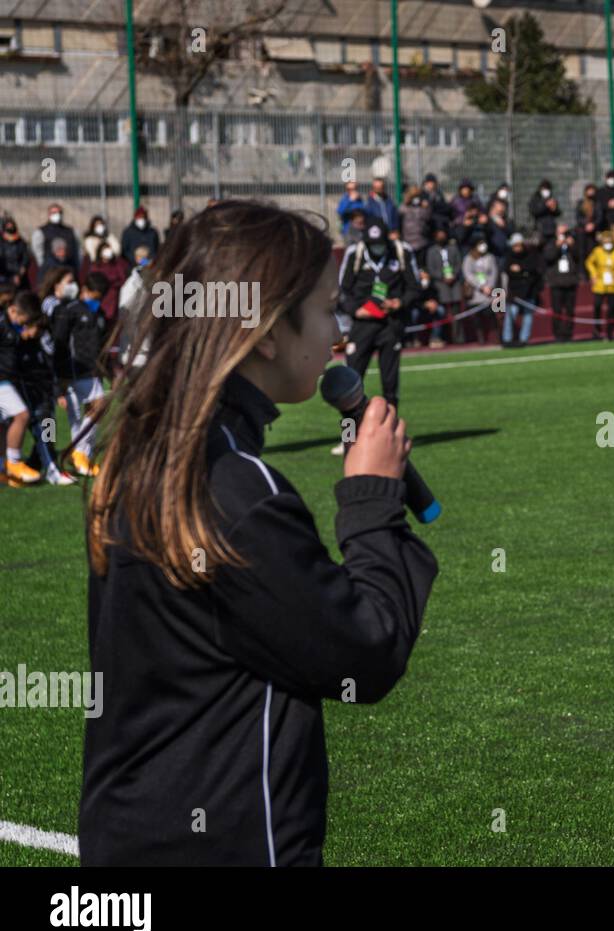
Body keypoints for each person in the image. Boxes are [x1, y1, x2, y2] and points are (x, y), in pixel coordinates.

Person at [79, 199, 438, 865]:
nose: (339, 333)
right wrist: (371, 500)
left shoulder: (146, 453)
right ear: (267, 332)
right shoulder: (237, 489)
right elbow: (368, 651)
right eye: (328, 308)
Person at [336, 218, 421, 430]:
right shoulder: (354, 254)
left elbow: (415, 287)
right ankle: (349, 437)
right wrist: (356, 310)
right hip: (362, 325)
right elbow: (341, 290)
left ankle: (389, 433)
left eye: (380, 243)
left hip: (390, 325)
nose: (377, 248)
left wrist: (399, 302)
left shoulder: (401, 252)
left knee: (390, 384)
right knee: (350, 383)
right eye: (372, 244)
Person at [8, 291, 74, 484]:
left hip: (44, 391)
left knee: (48, 427)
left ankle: (37, 464)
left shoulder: (41, 341)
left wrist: (56, 391)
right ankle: (52, 470)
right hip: (29, 391)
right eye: (36, 328)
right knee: (42, 427)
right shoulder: (18, 343)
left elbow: (49, 367)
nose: (38, 333)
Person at [51, 271, 110, 478]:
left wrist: (105, 369)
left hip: (92, 370)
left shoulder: (99, 313)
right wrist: (59, 381)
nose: (97, 300)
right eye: (95, 296)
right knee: (94, 409)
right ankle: (77, 453)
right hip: (74, 371)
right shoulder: (71, 311)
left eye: (100, 297)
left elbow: (102, 344)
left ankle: (82, 456)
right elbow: (60, 344)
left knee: (91, 412)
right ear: (85, 290)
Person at [0, 293, 40, 485]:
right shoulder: (3, 323)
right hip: (4, 381)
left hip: (17, 382)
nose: (25, 326)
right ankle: (15, 462)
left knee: (7, 423)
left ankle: (5, 468)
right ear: (14, 310)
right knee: (23, 416)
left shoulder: (12, 327)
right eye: (25, 321)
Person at [585, 230, 614, 341]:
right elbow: (589, 262)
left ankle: (610, 332)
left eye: (609, 241)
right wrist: (593, 274)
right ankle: (597, 330)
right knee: (597, 305)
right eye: (605, 241)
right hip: (600, 284)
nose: (607, 243)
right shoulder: (597, 251)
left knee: (612, 309)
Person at [424, 226, 465, 345]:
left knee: (457, 312)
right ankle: (444, 337)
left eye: (443, 234)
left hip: (454, 282)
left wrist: (453, 275)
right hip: (440, 284)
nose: (441, 236)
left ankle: (459, 337)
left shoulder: (453, 248)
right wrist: (442, 277)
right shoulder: (431, 251)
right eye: (439, 234)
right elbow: (431, 269)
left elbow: (459, 264)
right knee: (443, 312)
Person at [502, 233, 543, 348]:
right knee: (510, 315)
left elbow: (533, 271)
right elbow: (508, 271)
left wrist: (521, 270)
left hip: (529, 291)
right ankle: (507, 339)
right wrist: (523, 272)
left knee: (528, 316)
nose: (517, 248)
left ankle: (524, 339)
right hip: (514, 293)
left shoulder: (531, 255)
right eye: (515, 246)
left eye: (519, 245)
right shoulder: (509, 257)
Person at [543, 223, 580, 342]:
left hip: (570, 281)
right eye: (561, 233)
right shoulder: (551, 243)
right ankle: (557, 334)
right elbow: (548, 257)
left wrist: (572, 245)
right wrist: (557, 246)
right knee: (557, 310)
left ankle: (568, 333)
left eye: (565, 232)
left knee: (570, 310)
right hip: (557, 282)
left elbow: (579, 257)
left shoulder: (572, 243)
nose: (563, 235)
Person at [461, 238, 500, 345]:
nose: (483, 246)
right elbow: (468, 275)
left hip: (490, 291)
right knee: (477, 317)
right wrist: (481, 286)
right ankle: (481, 338)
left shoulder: (490, 257)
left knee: (493, 314)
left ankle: (496, 337)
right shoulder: (468, 258)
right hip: (476, 292)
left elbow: (494, 272)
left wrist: (490, 286)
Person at [33, 204, 80, 271]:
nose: (57, 215)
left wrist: (77, 267)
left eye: (59, 213)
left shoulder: (71, 231)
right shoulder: (41, 232)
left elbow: (77, 251)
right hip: (50, 270)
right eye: (54, 213)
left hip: (69, 268)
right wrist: (43, 267)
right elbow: (38, 252)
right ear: (49, 214)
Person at [1, 217, 32, 291]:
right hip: (5, 277)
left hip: (21, 277)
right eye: (8, 226)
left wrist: (19, 275)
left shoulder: (21, 242)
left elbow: (26, 260)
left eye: (11, 226)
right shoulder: (1, 243)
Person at [528, 180, 561, 245]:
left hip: (551, 230)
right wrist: (546, 205)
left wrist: (554, 208)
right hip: (540, 229)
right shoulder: (535, 199)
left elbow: (558, 213)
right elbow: (534, 211)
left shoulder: (552, 199)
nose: (546, 191)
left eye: (547, 188)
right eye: (544, 188)